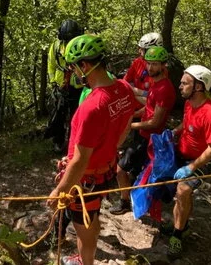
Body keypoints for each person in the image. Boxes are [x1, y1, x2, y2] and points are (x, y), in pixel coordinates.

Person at [47, 34, 137, 265]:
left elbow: (79, 161)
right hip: (105, 169)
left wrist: (59, 190)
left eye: (74, 67)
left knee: (84, 228)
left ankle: (84, 262)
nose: (74, 72)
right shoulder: (124, 89)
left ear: (84, 65)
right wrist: (110, 148)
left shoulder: (92, 107)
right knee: (93, 218)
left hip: (87, 178)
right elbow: (126, 126)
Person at [110, 46, 176, 215]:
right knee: (136, 168)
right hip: (143, 135)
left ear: (163, 65)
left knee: (120, 169)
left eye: (154, 64)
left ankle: (124, 202)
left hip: (149, 138)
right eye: (148, 64)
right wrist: (131, 116)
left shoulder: (165, 89)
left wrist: (129, 125)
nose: (150, 68)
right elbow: (148, 109)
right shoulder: (156, 84)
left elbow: (155, 122)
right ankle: (137, 196)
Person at [167, 65, 211, 258]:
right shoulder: (189, 103)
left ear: (198, 87)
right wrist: (175, 131)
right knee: (177, 192)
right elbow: (187, 122)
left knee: (183, 190)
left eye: (184, 83)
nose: (180, 86)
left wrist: (191, 167)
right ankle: (182, 225)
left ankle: (177, 236)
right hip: (183, 155)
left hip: (201, 161)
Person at [45, 19, 85, 152]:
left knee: (76, 114)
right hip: (60, 84)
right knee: (58, 114)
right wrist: (53, 83)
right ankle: (58, 141)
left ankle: (74, 142)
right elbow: (51, 65)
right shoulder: (56, 47)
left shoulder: (81, 45)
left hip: (77, 86)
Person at [124, 32, 163, 103]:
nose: (139, 51)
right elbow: (125, 82)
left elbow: (155, 98)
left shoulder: (161, 68)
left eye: (142, 49)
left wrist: (136, 92)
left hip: (148, 109)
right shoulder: (137, 62)